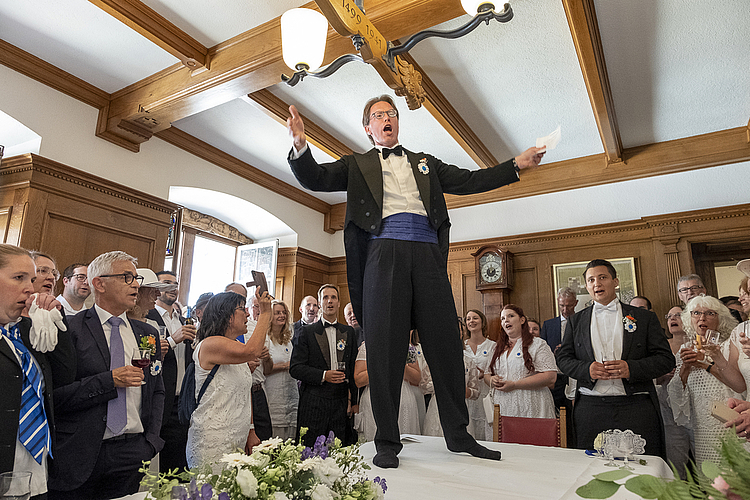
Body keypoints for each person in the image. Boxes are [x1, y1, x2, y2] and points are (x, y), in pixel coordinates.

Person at [287, 94, 544, 468]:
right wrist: (299, 145)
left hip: (426, 253)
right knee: (386, 350)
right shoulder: (357, 164)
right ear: (368, 127)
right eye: (379, 115)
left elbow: (470, 180)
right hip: (382, 254)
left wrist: (515, 165)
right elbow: (316, 177)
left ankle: (458, 434)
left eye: (391, 114)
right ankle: (387, 441)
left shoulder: (425, 163)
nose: (387, 118)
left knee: (444, 344)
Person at [49, 251, 165, 499]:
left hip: (132, 451)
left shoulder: (147, 333)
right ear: (99, 283)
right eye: (126, 277)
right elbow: (56, 396)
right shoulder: (70, 329)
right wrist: (109, 381)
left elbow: (157, 389)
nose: (135, 284)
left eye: (136, 279)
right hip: (81, 451)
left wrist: (150, 441)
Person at [556, 259, 675, 458]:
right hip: (591, 409)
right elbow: (563, 359)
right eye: (591, 280)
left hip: (636, 406)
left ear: (615, 281)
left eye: (602, 277)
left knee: (642, 468)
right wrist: (586, 370)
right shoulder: (576, 320)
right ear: (586, 286)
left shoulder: (643, 318)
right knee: (591, 469)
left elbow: (665, 359)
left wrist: (632, 368)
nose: (597, 284)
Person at [0, 244, 72, 499]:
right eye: (19, 278)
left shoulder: (23, 332)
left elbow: (65, 375)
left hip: (33, 468)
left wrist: (54, 318)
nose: (30, 287)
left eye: (31, 279)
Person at [185, 290, 271, 473]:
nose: (248, 313)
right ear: (227, 315)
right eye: (242, 309)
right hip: (213, 439)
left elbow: (244, 392)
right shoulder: (209, 344)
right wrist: (265, 313)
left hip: (237, 437)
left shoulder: (237, 348)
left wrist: (250, 430)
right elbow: (253, 351)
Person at [667, 295, 748, 466]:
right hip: (702, 427)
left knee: (737, 481)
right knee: (709, 482)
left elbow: (739, 385)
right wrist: (686, 368)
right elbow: (677, 398)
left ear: (721, 319)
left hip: (731, 421)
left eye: (710, 313)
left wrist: (705, 363)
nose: (702, 318)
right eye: (696, 313)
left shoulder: (728, 346)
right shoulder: (686, 349)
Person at [290, 284, 359, 447]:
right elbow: (295, 368)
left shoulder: (348, 332)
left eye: (333, 297)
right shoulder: (306, 332)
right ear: (320, 303)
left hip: (340, 402)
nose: (330, 301)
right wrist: (323, 375)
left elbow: (352, 368)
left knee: (338, 450)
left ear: (339, 303)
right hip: (314, 401)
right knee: (310, 451)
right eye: (325, 298)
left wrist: (354, 401)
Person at [146, 271, 195, 473]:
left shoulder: (183, 320)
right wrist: (173, 340)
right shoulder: (148, 317)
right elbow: (147, 356)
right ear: (156, 289)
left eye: (175, 284)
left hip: (182, 398)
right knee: (157, 464)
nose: (172, 288)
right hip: (160, 396)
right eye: (166, 283)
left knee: (179, 461)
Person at [484, 305, 557, 419]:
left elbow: (550, 377)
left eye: (511, 316)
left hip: (532, 406)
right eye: (502, 318)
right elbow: (486, 374)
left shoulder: (538, 344)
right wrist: (492, 380)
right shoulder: (496, 348)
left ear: (522, 320)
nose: (506, 320)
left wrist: (515, 385)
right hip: (503, 407)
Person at [224, 282, 273, 442]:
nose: (239, 302)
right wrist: (266, 312)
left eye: (242, 299)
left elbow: (267, 368)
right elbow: (247, 354)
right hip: (229, 395)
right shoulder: (214, 333)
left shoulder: (253, 326)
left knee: (264, 443)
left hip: (256, 391)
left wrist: (265, 357)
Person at [654, 305, 693, 479]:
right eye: (669, 316)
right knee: (675, 463)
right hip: (668, 409)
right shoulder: (661, 347)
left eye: (678, 315)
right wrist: (661, 375)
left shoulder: (698, 343)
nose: (672, 319)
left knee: (704, 461)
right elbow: (653, 379)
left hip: (695, 408)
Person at [354, 341, 422, 441]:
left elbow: (417, 378)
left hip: (403, 397)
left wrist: (400, 366)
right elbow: (359, 380)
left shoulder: (407, 347)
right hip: (376, 396)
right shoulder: (368, 345)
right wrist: (381, 365)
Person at [540, 286, 578, 443]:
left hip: (576, 375)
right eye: (562, 305)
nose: (565, 309)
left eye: (568, 305)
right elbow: (541, 350)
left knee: (574, 417)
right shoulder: (549, 325)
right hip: (556, 377)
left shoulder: (581, 320)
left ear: (575, 303)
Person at [262, 300, 299, 440]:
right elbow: (263, 370)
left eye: (284, 313)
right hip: (273, 393)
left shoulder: (287, 340)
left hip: (291, 392)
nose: (282, 315)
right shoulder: (265, 339)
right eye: (277, 313)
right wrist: (285, 366)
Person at [463, 309, 496, 440]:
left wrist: (486, 375)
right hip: (467, 394)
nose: (471, 321)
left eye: (475, 318)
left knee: (486, 426)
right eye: (468, 319)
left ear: (482, 322)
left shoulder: (493, 346)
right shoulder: (462, 346)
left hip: (485, 393)